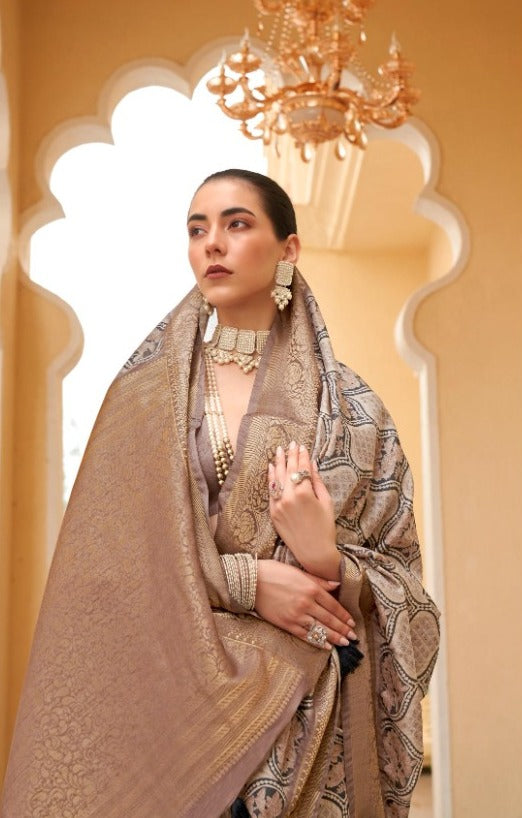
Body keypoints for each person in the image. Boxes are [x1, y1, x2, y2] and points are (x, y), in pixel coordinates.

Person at [1, 169, 440, 818]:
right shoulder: (144, 400)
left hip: (309, 723)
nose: (212, 242)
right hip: (171, 710)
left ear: (289, 249)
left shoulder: (354, 410)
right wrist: (244, 583)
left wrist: (327, 561)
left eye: (237, 224)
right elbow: (98, 569)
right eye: (196, 228)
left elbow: (406, 587)